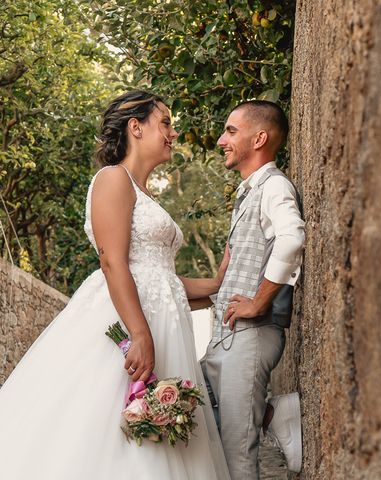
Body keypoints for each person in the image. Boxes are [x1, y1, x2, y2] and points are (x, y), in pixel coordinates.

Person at [0, 90, 230, 480]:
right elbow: (112, 261)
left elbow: (162, 280)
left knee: (161, 442)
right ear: (135, 127)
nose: (172, 133)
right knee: (108, 435)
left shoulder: (145, 194)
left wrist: (219, 283)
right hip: (125, 327)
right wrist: (139, 334)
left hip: (162, 327)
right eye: (166, 123)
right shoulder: (113, 179)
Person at [193, 100, 305, 480]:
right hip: (226, 338)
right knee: (201, 418)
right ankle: (272, 413)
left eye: (230, 131)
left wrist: (259, 302)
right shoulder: (247, 192)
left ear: (259, 138)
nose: (222, 140)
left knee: (237, 455)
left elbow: (292, 238)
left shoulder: (274, 186)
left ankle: (271, 413)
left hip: (252, 336)